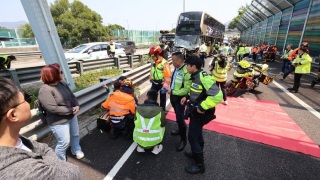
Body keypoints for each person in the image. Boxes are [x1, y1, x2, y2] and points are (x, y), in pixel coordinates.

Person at [0, 77, 81, 179]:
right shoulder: (29, 173)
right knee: (64, 141)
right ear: (13, 115)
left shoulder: (15, 140)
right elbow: (74, 172)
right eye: (26, 99)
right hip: (58, 120)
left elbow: (44, 148)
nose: (29, 103)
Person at [181, 56, 223, 174]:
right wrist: (187, 97)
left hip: (200, 112)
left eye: (187, 65)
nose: (186, 67)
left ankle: (200, 166)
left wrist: (201, 107)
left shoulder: (203, 77)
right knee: (197, 134)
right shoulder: (195, 76)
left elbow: (218, 96)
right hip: (195, 111)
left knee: (192, 138)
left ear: (193, 66)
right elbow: (196, 90)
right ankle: (196, 154)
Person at [38, 65, 84, 161]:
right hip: (58, 121)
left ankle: (76, 150)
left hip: (71, 115)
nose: (62, 73)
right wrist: (71, 110)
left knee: (75, 134)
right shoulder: (45, 90)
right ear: (53, 75)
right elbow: (52, 108)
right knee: (64, 142)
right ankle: (61, 160)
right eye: (60, 72)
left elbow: (72, 96)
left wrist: (77, 105)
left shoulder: (62, 83)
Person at [168, 52, 191, 152]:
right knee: (177, 116)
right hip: (173, 96)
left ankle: (183, 139)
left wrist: (173, 91)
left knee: (180, 119)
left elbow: (187, 89)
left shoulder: (186, 71)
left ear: (180, 60)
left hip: (180, 99)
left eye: (173, 60)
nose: (172, 62)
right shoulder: (176, 68)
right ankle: (179, 129)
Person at [133, 89, 166, 155]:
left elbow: (135, 120)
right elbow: (163, 124)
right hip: (154, 140)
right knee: (162, 127)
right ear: (156, 98)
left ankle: (140, 147)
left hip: (139, 139)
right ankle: (156, 148)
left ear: (147, 96)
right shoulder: (160, 110)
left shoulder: (138, 108)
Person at [149, 45, 171, 110]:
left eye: (153, 56)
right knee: (151, 98)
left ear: (158, 55)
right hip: (154, 83)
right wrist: (150, 78)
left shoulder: (165, 63)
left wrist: (165, 87)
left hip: (162, 84)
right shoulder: (154, 63)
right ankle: (152, 110)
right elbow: (152, 71)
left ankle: (162, 112)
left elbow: (168, 77)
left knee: (162, 100)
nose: (152, 58)